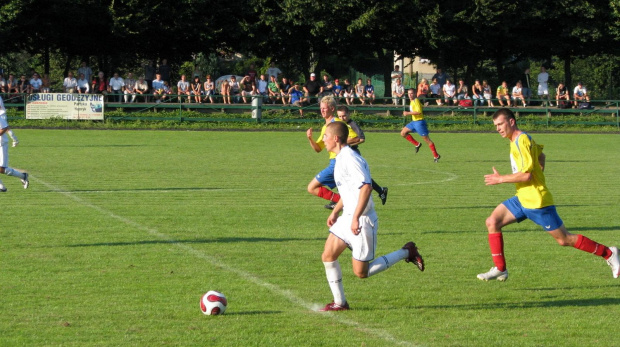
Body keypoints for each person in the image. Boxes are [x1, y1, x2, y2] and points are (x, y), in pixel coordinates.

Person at [478, 108, 619, 281]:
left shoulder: (521, 141)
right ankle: (500, 268)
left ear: (511, 121)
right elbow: (541, 156)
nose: (498, 128)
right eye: (495, 126)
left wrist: (500, 179)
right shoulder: (519, 139)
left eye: (500, 124)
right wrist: (539, 174)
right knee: (492, 221)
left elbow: (526, 175)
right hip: (522, 197)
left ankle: (609, 253)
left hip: (537, 202)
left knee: (565, 239)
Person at [318, 120, 424, 311]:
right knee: (328, 255)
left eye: (325, 136)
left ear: (335, 138)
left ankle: (407, 251)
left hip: (362, 220)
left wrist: (356, 217)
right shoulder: (340, 157)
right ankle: (340, 303)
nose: (323, 139)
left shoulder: (351, 158)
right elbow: (349, 190)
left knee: (361, 273)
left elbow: (366, 187)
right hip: (348, 217)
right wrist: (336, 211)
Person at [306, 96, 358, 209]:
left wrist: (338, 142)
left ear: (332, 109)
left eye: (325, 108)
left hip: (338, 162)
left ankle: (341, 201)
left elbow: (355, 137)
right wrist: (310, 139)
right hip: (334, 162)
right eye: (321, 108)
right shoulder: (326, 127)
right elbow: (318, 149)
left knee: (311, 187)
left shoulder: (338, 123)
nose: (322, 111)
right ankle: (343, 202)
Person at [337, 106, 388, 205]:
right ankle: (381, 190)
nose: (342, 118)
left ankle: (337, 200)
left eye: (344, 116)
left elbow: (362, 139)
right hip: (344, 153)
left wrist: (346, 144)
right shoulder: (340, 125)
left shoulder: (352, 124)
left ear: (348, 114)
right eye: (339, 116)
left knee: (358, 177)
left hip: (353, 153)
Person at [401, 88, 441, 162]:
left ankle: (436, 156)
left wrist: (408, 113)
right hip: (414, 122)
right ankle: (417, 144)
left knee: (427, 140)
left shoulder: (416, 101)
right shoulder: (412, 101)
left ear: (415, 94)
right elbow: (420, 107)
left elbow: (418, 112)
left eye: (411, 93)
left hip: (419, 123)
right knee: (403, 133)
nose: (409, 95)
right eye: (409, 93)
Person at [0, 95, 29, 192]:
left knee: (2, 169)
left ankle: (23, 176)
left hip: (1, 144)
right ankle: (1, 187)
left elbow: (4, 128)